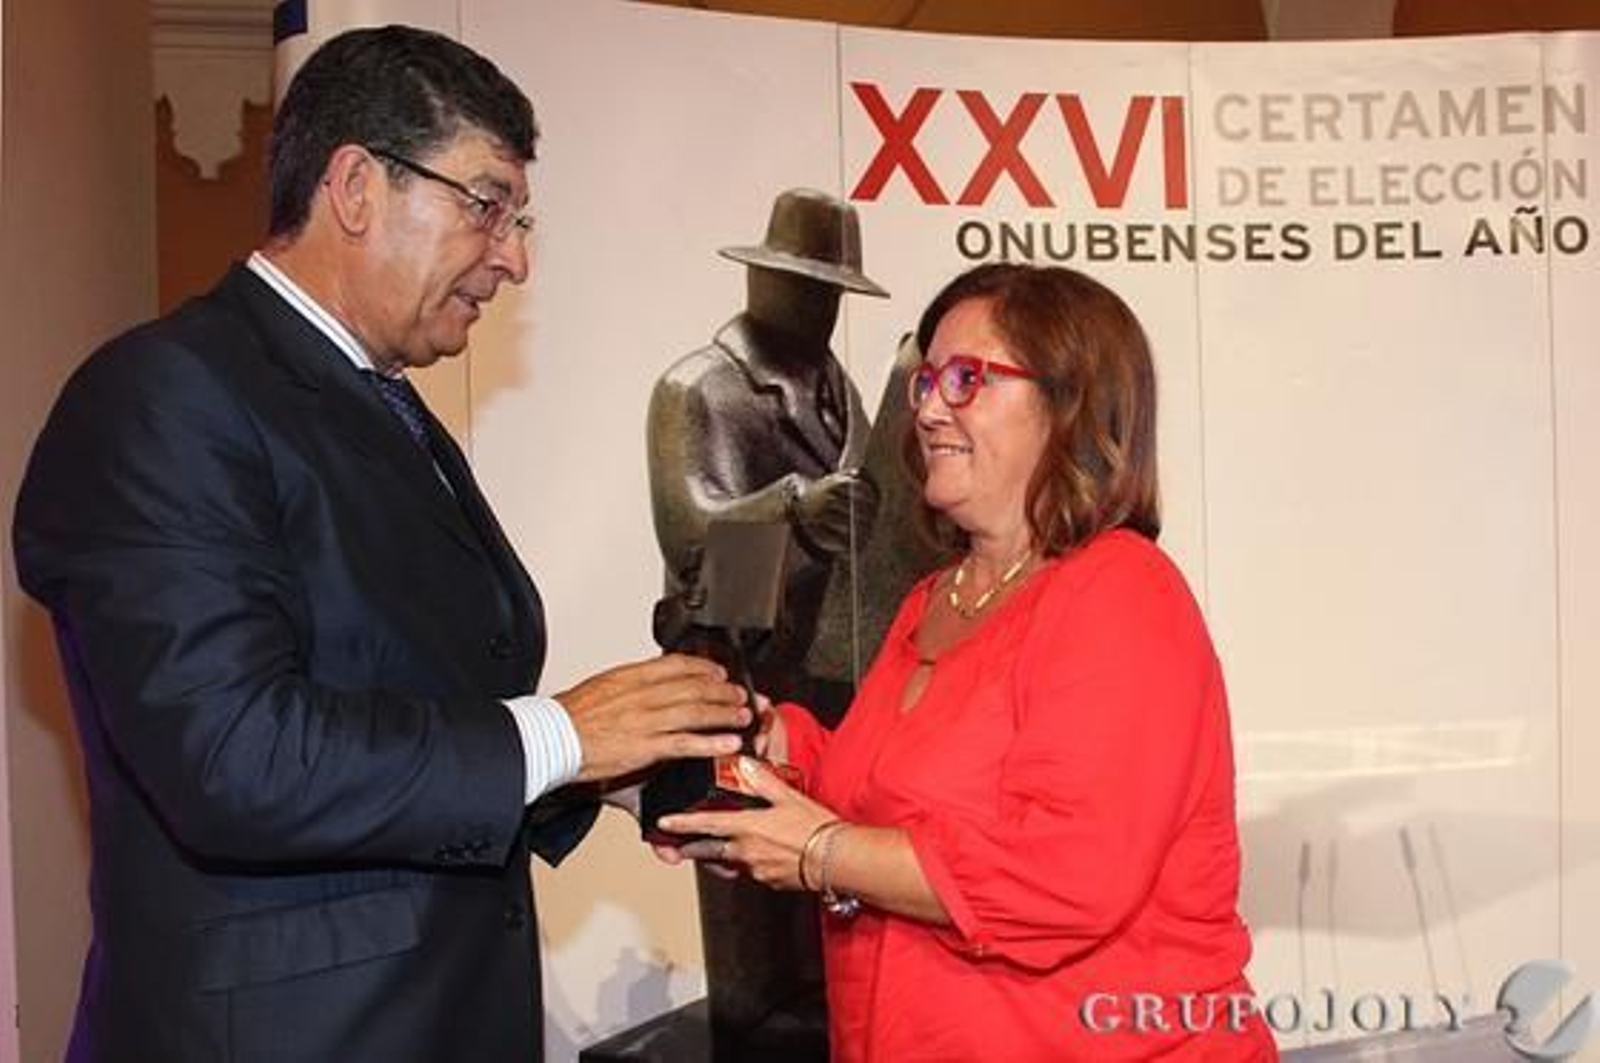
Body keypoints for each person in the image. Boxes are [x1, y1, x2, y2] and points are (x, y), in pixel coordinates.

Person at [12, 25, 748, 1063]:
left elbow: (402, 708)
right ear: (355, 186)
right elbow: (235, 756)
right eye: (487, 205)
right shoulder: (166, 397)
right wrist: (560, 736)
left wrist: (616, 774)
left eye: (520, 217)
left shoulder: (385, 410)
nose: (515, 256)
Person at [659, 263, 1278, 1060]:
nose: (928, 409)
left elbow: (1065, 873)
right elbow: (878, 791)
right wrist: (743, 750)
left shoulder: (1121, 590)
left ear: (1069, 402)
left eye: (966, 379)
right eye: (924, 382)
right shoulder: (935, 598)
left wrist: (820, 853)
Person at [647, 187, 885, 715]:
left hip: (831, 675)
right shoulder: (697, 387)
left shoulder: (839, 392)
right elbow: (687, 536)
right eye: (806, 287)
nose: (821, 306)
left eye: (832, 292)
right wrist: (795, 506)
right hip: (731, 676)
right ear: (761, 276)